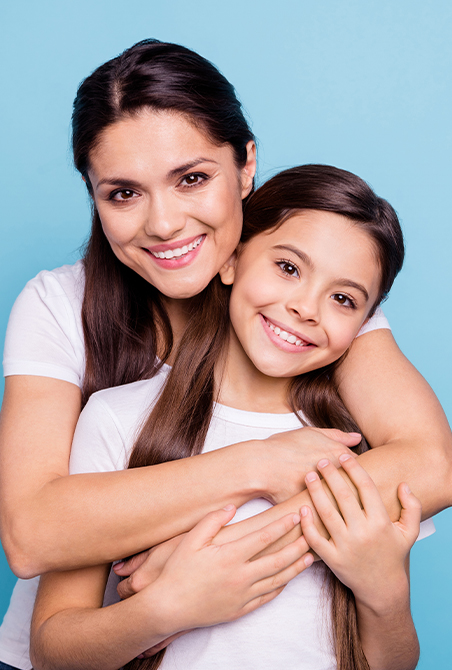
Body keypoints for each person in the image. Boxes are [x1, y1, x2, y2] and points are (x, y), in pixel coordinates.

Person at [0, 39, 450, 670]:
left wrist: (232, 553)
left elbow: (431, 463)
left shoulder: (305, 302)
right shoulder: (60, 307)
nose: (163, 224)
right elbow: (32, 534)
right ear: (93, 195)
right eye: (123, 193)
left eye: (192, 178)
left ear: (245, 166)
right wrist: (257, 468)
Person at [31, 165, 424, 670]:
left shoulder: (361, 447)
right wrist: (165, 608)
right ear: (232, 260)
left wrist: (385, 593)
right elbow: (50, 650)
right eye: (288, 268)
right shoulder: (116, 418)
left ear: (364, 325)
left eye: (343, 299)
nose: (307, 308)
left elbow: (394, 661)